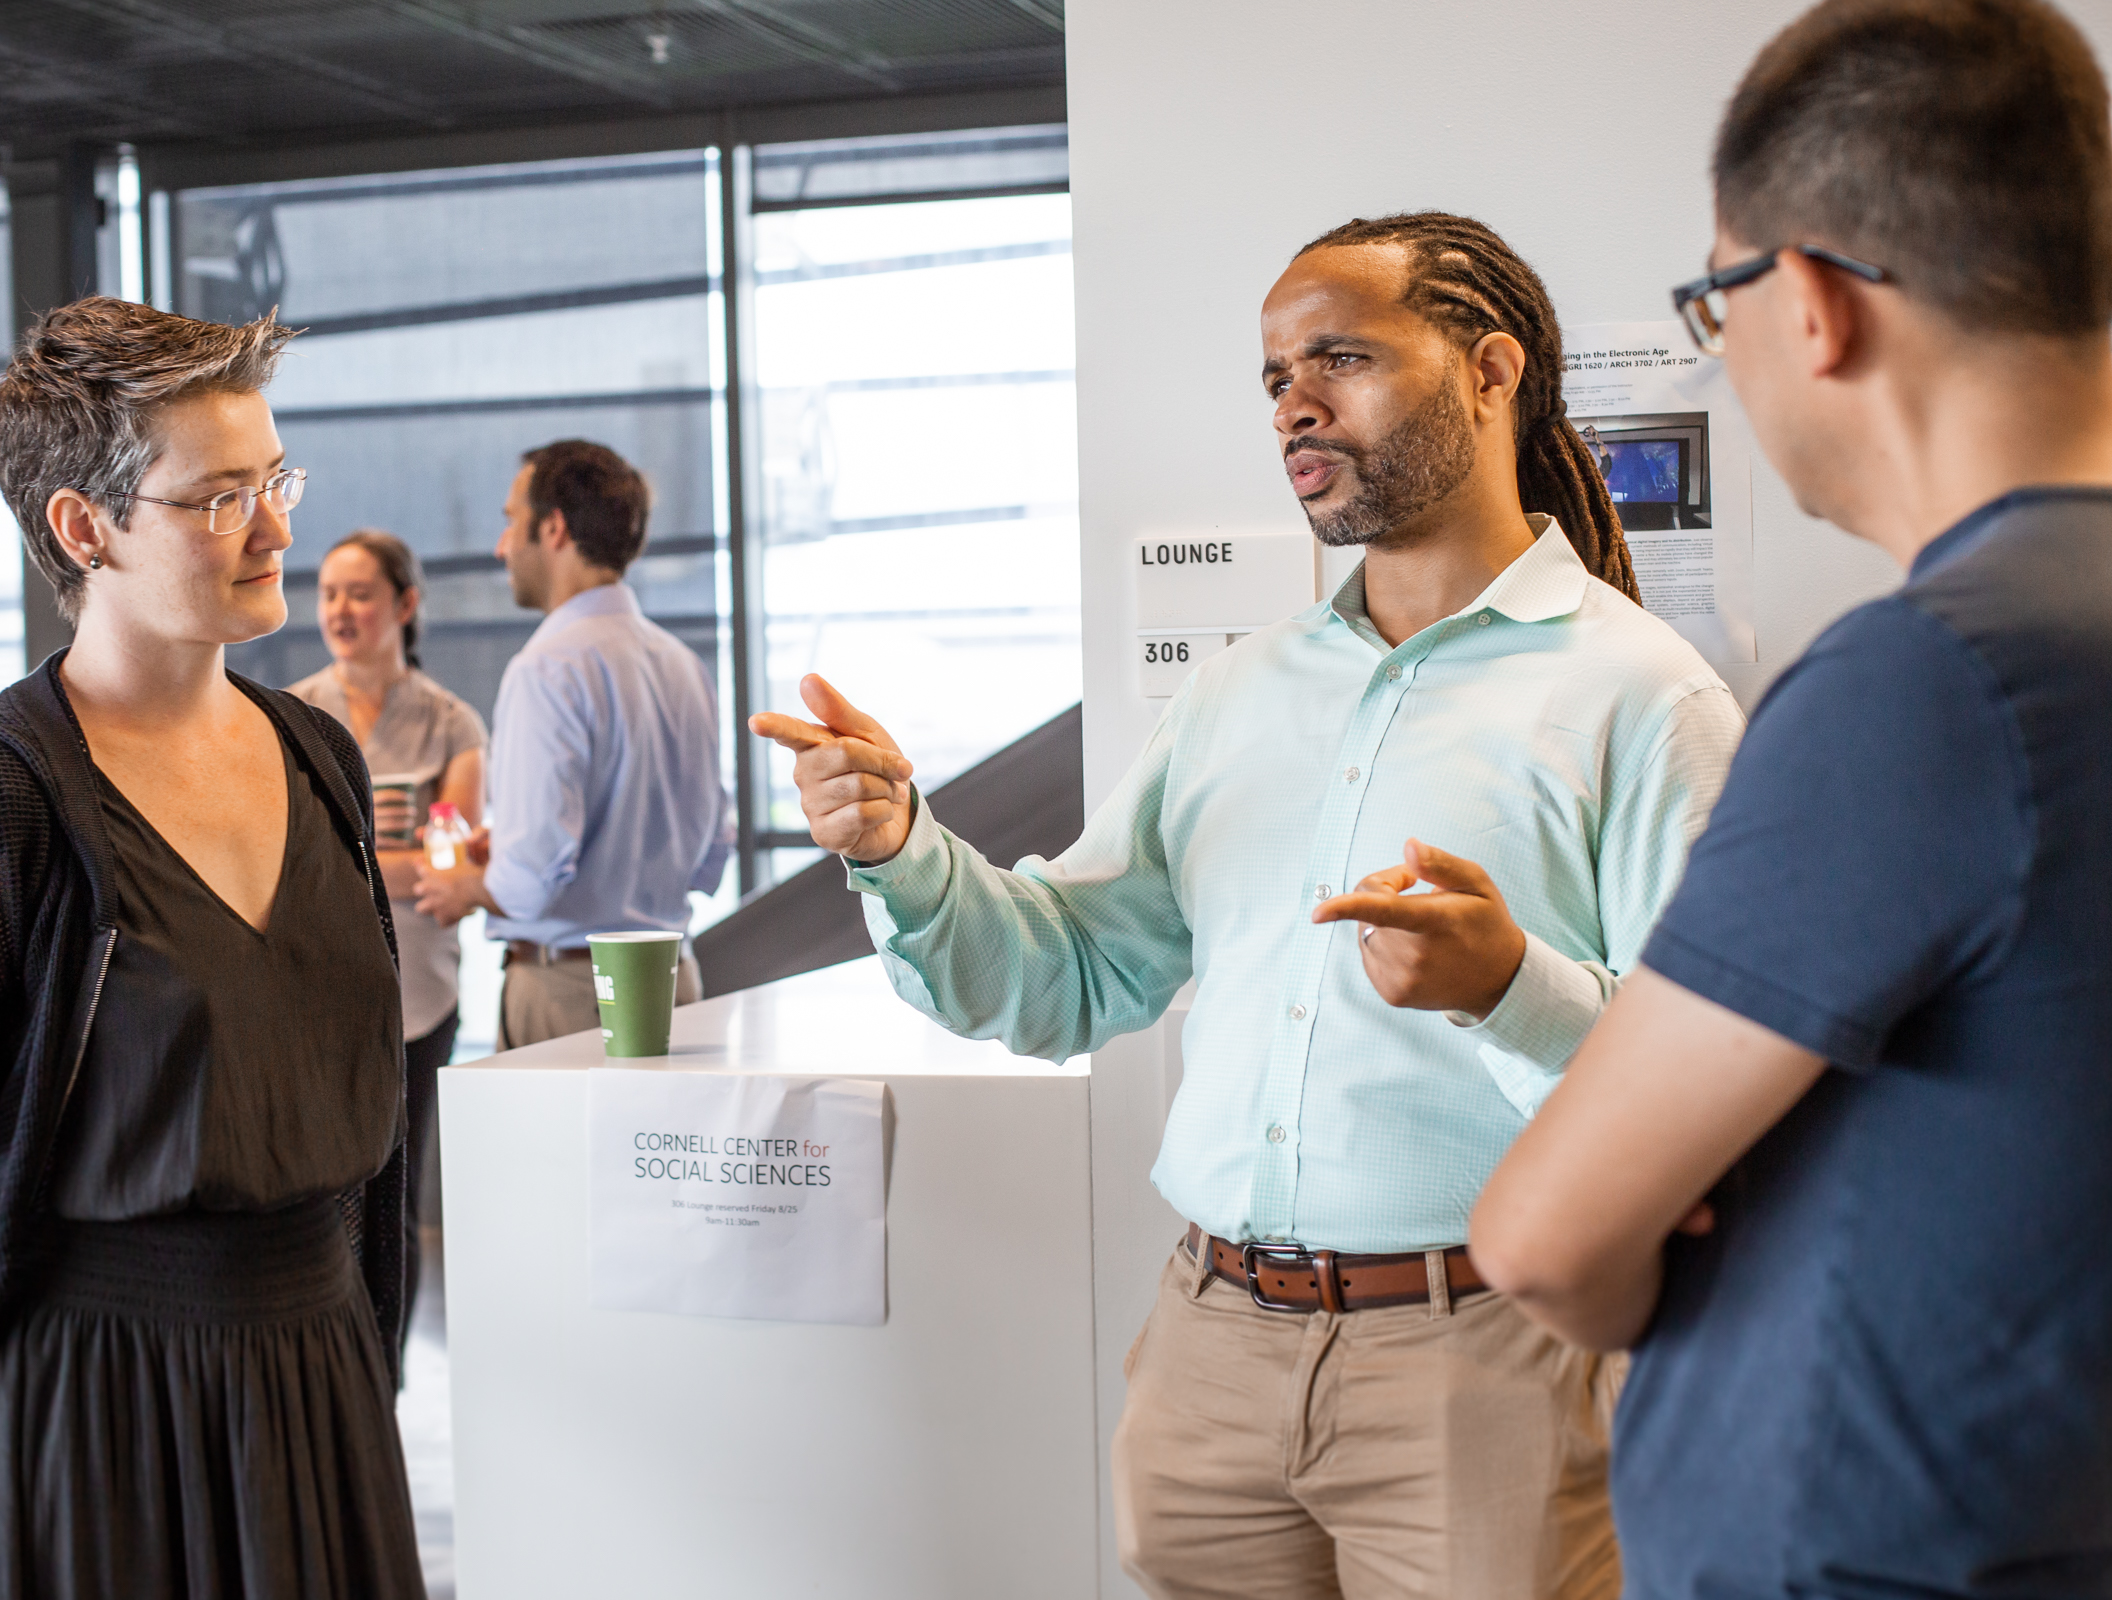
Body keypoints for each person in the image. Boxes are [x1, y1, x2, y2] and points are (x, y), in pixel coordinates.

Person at [754, 213, 1743, 1598]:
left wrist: (1508, 985)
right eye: (1275, 374)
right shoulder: (1235, 692)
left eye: (1342, 355)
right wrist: (905, 849)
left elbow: (1707, 1101)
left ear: (1490, 370)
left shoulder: (1644, 697)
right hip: (1211, 1351)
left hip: (1487, 1362)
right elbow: (1070, 977)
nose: (1295, 401)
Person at [1466, 3, 2112, 1595]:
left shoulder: (1939, 674)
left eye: (1713, 300)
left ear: (1809, 301)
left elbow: (1546, 1238)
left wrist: (1673, 1201)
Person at [0, 298, 422, 1600]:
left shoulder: (319, 761)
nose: (278, 532)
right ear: (87, 527)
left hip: (316, 1386)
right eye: (218, 500)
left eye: (275, 481)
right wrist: (26, 1341)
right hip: (88, 1425)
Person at [415, 439, 729, 1049]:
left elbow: (533, 866)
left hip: (572, 997)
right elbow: (712, 850)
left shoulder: (548, 667)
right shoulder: (683, 663)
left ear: (553, 528)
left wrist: (471, 886)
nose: (502, 546)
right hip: (673, 988)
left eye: (512, 522)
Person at [290, 529, 485, 1341]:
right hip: (316, 996)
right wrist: (398, 864)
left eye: (359, 593)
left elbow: (452, 870)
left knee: (395, 1206)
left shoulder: (451, 724)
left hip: (421, 997)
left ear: (405, 605)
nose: (340, 610)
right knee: (323, 1204)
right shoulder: (295, 715)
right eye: (329, 592)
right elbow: (290, 865)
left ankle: (387, 1392)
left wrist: (351, 858)